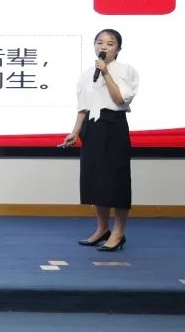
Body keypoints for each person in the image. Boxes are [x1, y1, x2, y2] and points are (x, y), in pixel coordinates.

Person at [59, 29, 139, 252]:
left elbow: (120, 99)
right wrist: (75, 132)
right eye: (99, 42)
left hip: (114, 126)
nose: (103, 47)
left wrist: (106, 73)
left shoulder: (126, 70)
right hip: (91, 128)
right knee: (96, 180)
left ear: (118, 49)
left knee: (117, 180)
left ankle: (118, 232)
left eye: (110, 44)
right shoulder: (86, 74)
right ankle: (102, 229)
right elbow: (83, 106)